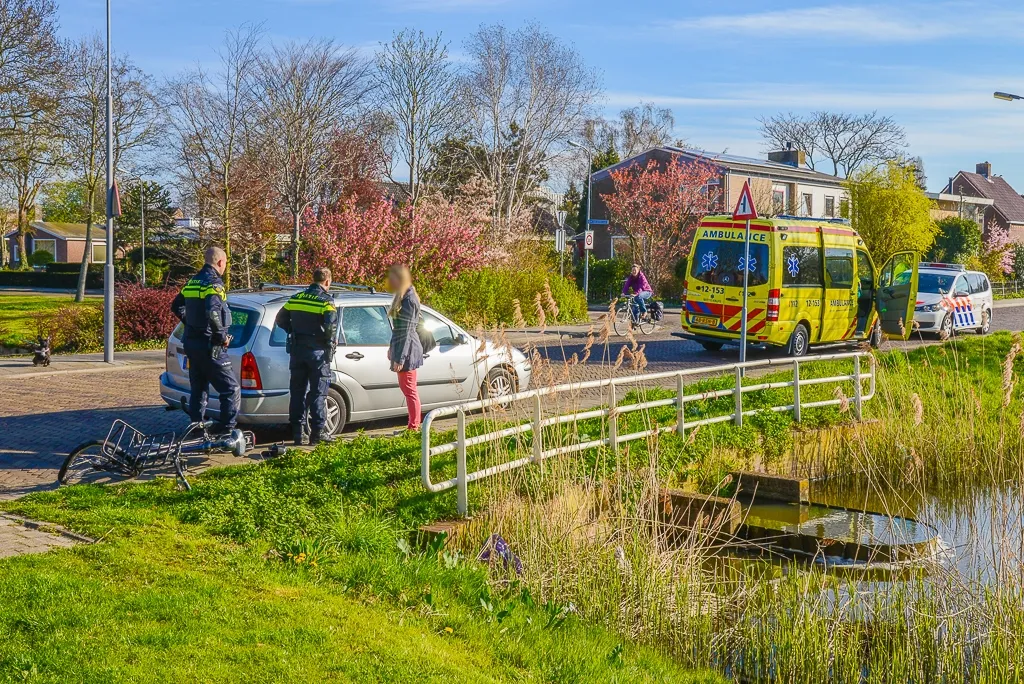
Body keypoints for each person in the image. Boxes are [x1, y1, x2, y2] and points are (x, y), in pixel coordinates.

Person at [171, 246, 239, 435]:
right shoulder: (213, 283)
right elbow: (213, 312)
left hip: (192, 344)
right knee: (231, 389)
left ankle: (197, 429)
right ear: (220, 262)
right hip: (210, 345)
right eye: (225, 263)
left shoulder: (193, 282)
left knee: (199, 389)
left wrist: (192, 324)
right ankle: (228, 432)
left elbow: (176, 306)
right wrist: (221, 337)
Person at [275, 268, 338, 446]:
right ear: (327, 282)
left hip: (297, 351)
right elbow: (331, 327)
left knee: (297, 393)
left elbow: (280, 319)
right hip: (317, 353)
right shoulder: (326, 301)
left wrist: (293, 331)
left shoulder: (296, 298)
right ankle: (317, 434)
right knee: (319, 392)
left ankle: (298, 434)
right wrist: (329, 344)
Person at [387, 264, 423, 432]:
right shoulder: (402, 296)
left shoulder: (409, 299)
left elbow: (407, 331)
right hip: (402, 348)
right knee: (406, 388)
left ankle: (414, 427)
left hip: (407, 351)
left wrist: (400, 358)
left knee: (409, 389)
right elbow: (398, 330)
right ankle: (412, 425)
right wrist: (391, 348)